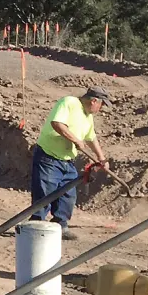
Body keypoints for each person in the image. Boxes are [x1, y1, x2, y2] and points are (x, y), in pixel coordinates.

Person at [31, 86, 111, 238]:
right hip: (49, 157)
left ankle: (60, 226)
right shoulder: (69, 102)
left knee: (68, 195)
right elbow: (57, 124)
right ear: (94, 101)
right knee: (44, 193)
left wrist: (102, 158)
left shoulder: (88, 117)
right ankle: (35, 226)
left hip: (67, 161)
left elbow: (91, 137)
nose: (101, 109)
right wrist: (75, 140)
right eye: (102, 105)